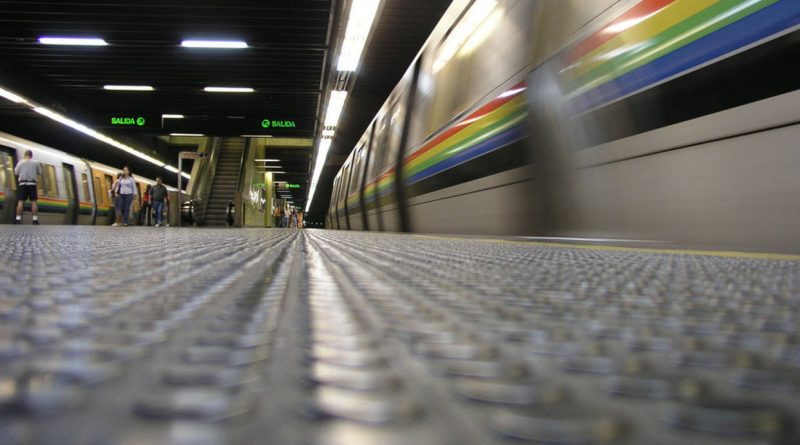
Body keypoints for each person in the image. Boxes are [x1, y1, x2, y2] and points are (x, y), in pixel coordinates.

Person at [14, 149, 42, 225]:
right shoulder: (35, 162)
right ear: (31, 155)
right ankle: (35, 220)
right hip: (32, 184)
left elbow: (16, 172)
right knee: (33, 202)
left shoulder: (21, 162)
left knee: (20, 202)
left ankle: (18, 220)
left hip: (23, 184)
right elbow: (39, 172)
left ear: (25, 155)